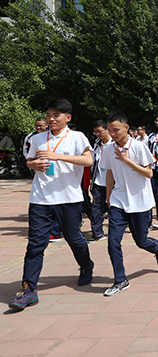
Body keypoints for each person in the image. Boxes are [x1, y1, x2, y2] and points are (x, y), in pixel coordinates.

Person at [10, 99, 93, 310]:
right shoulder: (37, 138)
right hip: (40, 198)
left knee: (74, 238)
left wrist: (57, 156)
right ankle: (29, 290)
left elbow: (88, 161)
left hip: (69, 198)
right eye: (48, 114)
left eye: (56, 115)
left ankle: (86, 266)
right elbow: (29, 161)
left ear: (68, 117)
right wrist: (34, 165)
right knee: (35, 244)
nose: (51, 118)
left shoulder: (77, 137)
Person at [101, 112, 158, 296]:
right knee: (113, 241)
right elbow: (109, 173)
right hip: (118, 201)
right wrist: (108, 197)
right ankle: (120, 280)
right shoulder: (108, 149)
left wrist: (127, 161)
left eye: (116, 129)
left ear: (126, 128)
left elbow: (149, 173)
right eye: (109, 130)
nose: (112, 133)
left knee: (141, 241)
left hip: (140, 201)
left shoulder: (138, 147)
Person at [87, 120, 112, 243]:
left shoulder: (115, 143)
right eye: (95, 132)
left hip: (113, 183)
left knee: (114, 207)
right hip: (98, 181)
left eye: (99, 131)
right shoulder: (97, 143)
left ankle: (115, 231)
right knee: (96, 208)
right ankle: (97, 233)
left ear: (107, 130)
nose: (97, 134)